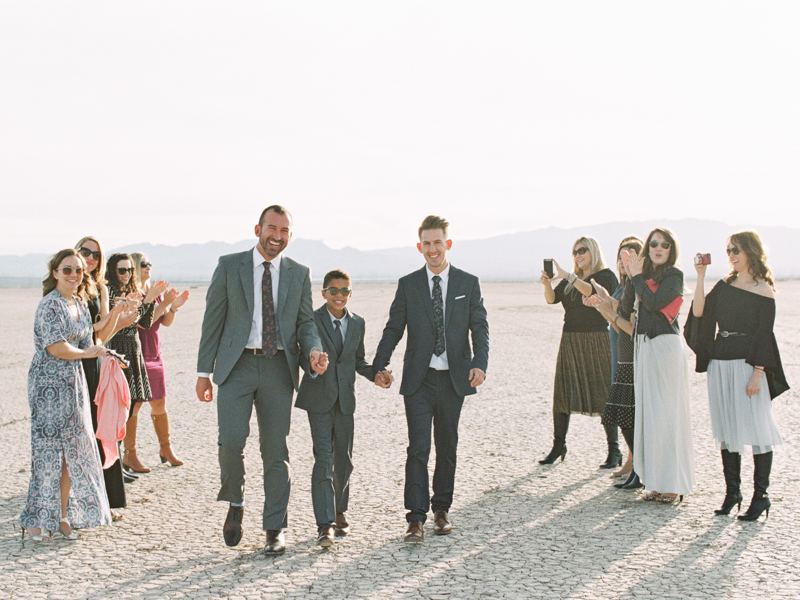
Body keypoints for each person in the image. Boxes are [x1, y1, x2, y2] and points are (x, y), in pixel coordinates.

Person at [196, 205, 328, 554]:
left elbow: (305, 323)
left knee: (275, 450)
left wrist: (313, 351)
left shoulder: (299, 273)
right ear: (258, 229)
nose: (277, 237)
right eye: (272, 228)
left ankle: (274, 527)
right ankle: (235, 500)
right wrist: (203, 372)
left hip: (278, 367)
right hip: (236, 366)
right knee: (230, 442)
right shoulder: (230, 265)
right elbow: (213, 319)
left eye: (284, 231)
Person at [373, 215, 489, 542]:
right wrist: (380, 363)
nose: (433, 249)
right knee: (418, 447)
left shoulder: (468, 283)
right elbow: (394, 328)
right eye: (427, 243)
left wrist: (480, 363)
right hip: (418, 380)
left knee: (447, 446)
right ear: (419, 246)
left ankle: (441, 510)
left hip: (454, 378)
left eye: (438, 242)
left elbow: (479, 327)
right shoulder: (408, 284)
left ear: (447, 244)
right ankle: (415, 517)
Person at [686, 231, 788, 520]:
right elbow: (699, 312)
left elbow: (764, 336)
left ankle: (761, 496)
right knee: (727, 430)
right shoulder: (724, 284)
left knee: (758, 429)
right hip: (720, 363)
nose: (731, 254)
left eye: (736, 249)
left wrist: (758, 374)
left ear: (751, 252)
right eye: (728, 249)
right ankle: (733, 493)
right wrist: (701, 277)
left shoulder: (764, 291)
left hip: (747, 365)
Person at [20, 249, 112, 541]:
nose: (74, 275)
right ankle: (36, 519)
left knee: (74, 451)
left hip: (74, 383)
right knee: (48, 453)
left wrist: (117, 318)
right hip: (48, 384)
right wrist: (86, 352)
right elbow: (55, 347)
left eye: (79, 271)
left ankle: (60, 515)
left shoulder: (80, 303)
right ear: (55, 272)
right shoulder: (50, 306)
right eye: (67, 270)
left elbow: (91, 339)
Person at [295, 269, 380, 547]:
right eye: (334, 291)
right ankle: (325, 524)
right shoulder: (312, 320)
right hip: (318, 399)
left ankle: (340, 510)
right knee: (324, 458)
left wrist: (376, 374)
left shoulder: (358, 323)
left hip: (345, 402)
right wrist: (313, 363)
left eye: (345, 291)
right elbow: (302, 353)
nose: (339, 296)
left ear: (350, 294)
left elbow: (358, 360)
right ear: (324, 293)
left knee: (344, 459)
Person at [624, 227, 695, 503]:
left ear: (671, 249)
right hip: (644, 347)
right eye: (653, 243)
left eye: (664, 245)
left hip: (665, 348)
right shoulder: (643, 277)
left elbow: (654, 304)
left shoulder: (674, 276)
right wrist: (632, 276)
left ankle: (673, 483)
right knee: (650, 416)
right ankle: (654, 481)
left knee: (667, 415)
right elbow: (626, 308)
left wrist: (637, 276)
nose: (658, 248)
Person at [539, 236, 619, 467]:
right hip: (570, 339)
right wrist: (547, 284)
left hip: (597, 339)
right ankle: (558, 445)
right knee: (562, 393)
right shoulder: (571, 280)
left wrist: (569, 276)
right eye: (575, 252)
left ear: (593, 251)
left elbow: (593, 292)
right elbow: (552, 299)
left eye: (583, 250)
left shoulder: (605, 275)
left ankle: (614, 450)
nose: (578, 255)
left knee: (604, 393)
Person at [76, 237, 137, 516]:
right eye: (84, 252)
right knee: (81, 432)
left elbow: (99, 333)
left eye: (95, 254)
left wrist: (117, 315)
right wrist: (115, 315)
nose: (90, 258)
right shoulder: (70, 284)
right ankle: (78, 500)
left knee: (103, 428)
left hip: (93, 362)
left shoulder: (98, 287)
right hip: (72, 362)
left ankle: (106, 501)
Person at [105, 253, 169, 474]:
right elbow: (122, 322)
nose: (126, 274)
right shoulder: (111, 292)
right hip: (117, 351)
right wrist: (149, 298)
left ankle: (121, 462)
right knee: (119, 409)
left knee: (131, 404)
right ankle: (117, 463)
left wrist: (150, 299)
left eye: (129, 270)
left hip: (133, 350)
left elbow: (145, 321)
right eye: (121, 270)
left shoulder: (128, 291)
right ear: (112, 271)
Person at [131, 252, 190, 467]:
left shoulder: (153, 291)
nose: (148, 267)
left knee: (159, 403)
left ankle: (166, 449)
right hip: (137, 353)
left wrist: (173, 306)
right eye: (144, 264)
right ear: (135, 267)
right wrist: (163, 301)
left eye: (150, 264)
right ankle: (130, 453)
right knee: (135, 405)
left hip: (155, 352)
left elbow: (165, 322)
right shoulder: (133, 294)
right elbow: (143, 323)